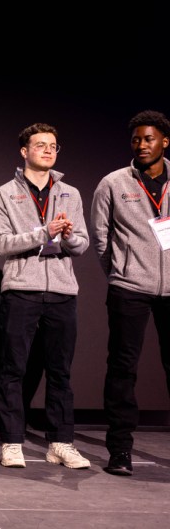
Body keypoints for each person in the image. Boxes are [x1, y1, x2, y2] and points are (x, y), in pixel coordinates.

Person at [0, 123, 89, 469]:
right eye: (40, 145)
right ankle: (12, 442)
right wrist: (43, 232)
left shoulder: (70, 194)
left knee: (60, 372)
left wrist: (69, 236)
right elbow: (2, 244)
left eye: (53, 146)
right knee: (13, 369)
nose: (48, 150)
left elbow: (81, 245)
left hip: (62, 292)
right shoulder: (5, 193)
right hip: (21, 291)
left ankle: (60, 442)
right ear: (24, 151)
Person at [92, 110, 170, 476]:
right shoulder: (113, 183)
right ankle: (120, 449)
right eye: (137, 139)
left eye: (149, 138)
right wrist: (121, 273)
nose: (141, 145)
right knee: (123, 369)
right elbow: (101, 239)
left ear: (164, 142)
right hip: (129, 288)